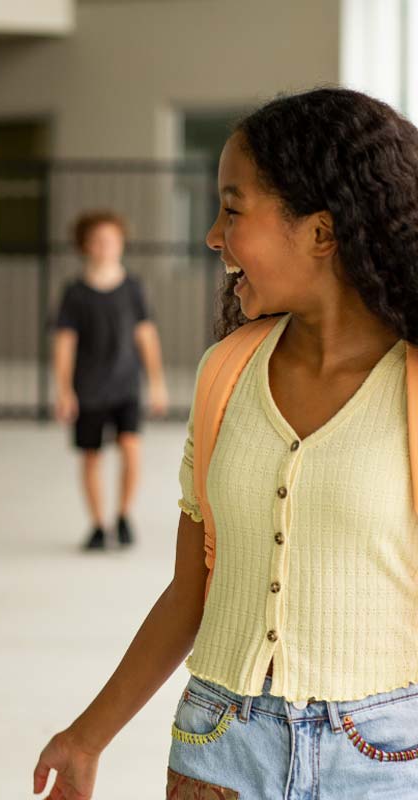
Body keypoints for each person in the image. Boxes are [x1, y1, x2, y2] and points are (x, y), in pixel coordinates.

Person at [33, 87, 418, 799]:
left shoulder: (410, 387)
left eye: (233, 210)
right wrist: (88, 736)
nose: (213, 235)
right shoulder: (226, 373)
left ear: (321, 233)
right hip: (218, 751)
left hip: (387, 760)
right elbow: (192, 589)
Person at [54, 211, 169, 550]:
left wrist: (157, 382)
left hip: (126, 385)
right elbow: (64, 343)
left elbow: (146, 336)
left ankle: (122, 514)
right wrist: (63, 390)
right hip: (88, 389)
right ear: (85, 246)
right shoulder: (75, 293)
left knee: (131, 448)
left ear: (121, 243)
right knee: (92, 457)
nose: (106, 246)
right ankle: (98, 525)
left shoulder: (133, 288)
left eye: (112, 239)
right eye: (98, 240)